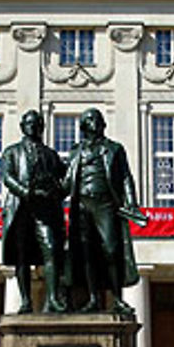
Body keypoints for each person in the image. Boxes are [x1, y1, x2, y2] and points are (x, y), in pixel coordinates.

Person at [63, 108, 146, 314]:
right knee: (87, 253)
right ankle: (93, 298)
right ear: (83, 125)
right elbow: (66, 181)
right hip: (81, 204)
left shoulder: (114, 149)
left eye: (98, 119)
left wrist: (131, 203)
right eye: (90, 119)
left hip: (105, 203)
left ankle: (117, 298)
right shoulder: (75, 151)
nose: (95, 122)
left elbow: (126, 177)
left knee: (111, 249)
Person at [1, 110, 68, 313]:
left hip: (45, 210)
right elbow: (7, 176)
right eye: (29, 123)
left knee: (51, 249)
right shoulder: (12, 151)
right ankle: (25, 301)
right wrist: (25, 191)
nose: (34, 127)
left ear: (42, 127)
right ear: (23, 127)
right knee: (22, 256)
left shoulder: (51, 155)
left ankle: (53, 299)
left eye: (37, 123)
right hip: (21, 208)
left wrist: (55, 191)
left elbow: (64, 180)